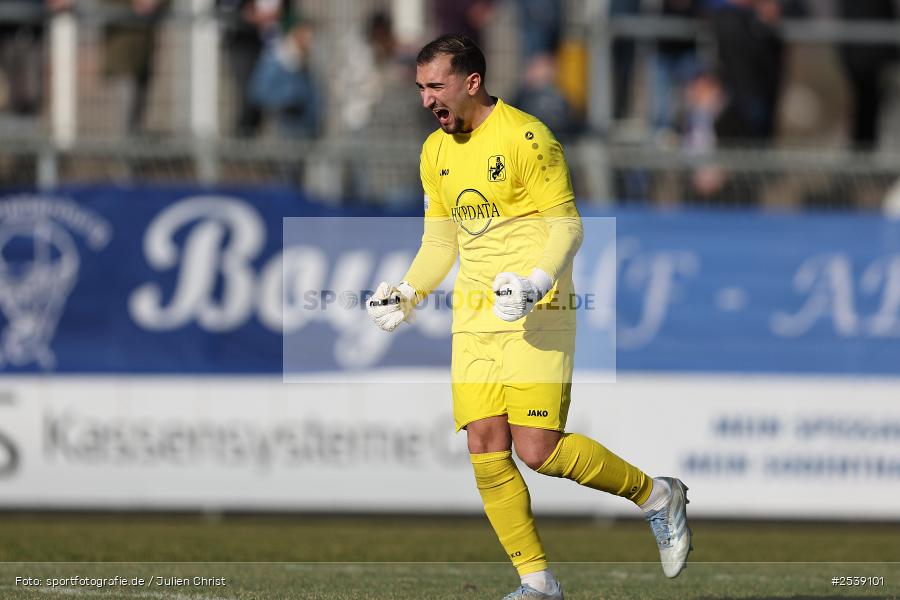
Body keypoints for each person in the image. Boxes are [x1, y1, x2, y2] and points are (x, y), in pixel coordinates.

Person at [366, 34, 692, 599]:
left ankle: (657, 496)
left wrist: (536, 285)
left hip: (537, 313)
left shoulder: (528, 137)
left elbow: (568, 226)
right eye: (420, 88)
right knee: (485, 447)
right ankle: (537, 583)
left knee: (537, 450)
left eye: (435, 87)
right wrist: (407, 293)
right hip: (474, 320)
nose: (426, 101)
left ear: (471, 82)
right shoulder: (434, 152)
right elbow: (440, 241)